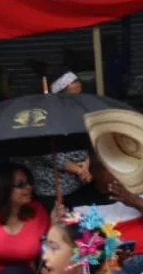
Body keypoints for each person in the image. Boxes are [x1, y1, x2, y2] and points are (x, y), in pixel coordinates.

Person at [22, 67, 92, 203]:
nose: (77, 100)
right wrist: (79, 170)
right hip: (53, 190)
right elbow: (45, 151)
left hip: (81, 184)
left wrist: (86, 165)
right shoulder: (42, 117)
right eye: (72, 96)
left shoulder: (81, 113)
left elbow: (87, 143)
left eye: (79, 94)